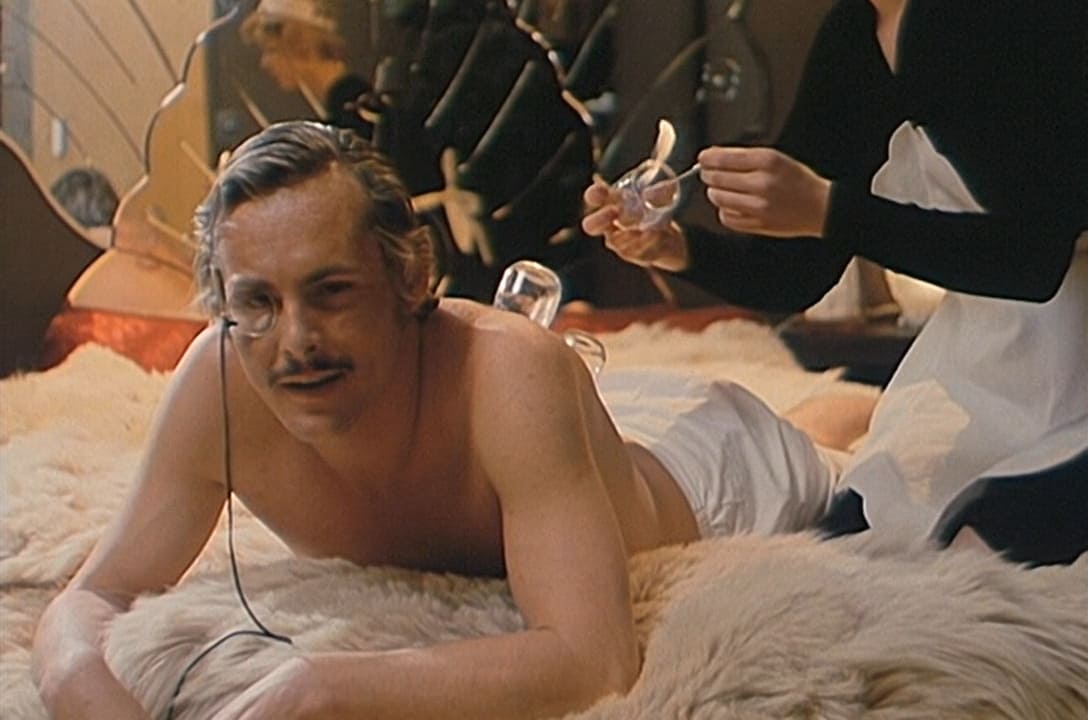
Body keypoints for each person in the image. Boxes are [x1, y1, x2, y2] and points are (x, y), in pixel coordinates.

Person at [31, 120, 874, 720]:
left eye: (331, 292)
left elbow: (595, 661)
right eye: (257, 303)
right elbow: (93, 596)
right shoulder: (218, 379)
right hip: (555, 450)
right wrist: (81, 685)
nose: (295, 342)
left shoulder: (509, 371)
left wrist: (318, 686)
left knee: (817, 432)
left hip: (706, 476)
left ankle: (839, 406)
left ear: (409, 277)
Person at [583, 0, 1088, 564]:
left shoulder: (1018, 18)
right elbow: (794, 275)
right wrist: (675, 247)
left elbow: (1034, 258)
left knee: (967, 558)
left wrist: (826, 209)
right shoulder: (855, 34)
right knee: (840, 552)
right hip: (995, 370)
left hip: (1075, 382)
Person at [241, 0, 374, 135]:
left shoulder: (353, 107)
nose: (264, 63)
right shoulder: (333, 106)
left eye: (271, 50)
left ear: (302, 44)